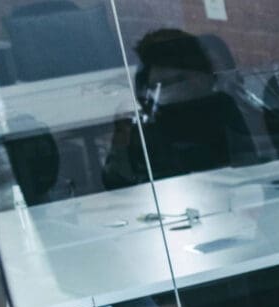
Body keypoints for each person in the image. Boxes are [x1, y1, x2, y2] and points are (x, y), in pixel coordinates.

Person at [101, 28, 257, 189]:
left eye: (178, 80)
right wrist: (121, 143)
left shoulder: (222, 108)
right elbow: (114, 181)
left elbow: (249, 164)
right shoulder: (145, 126)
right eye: (159, 85)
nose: (167, 91)